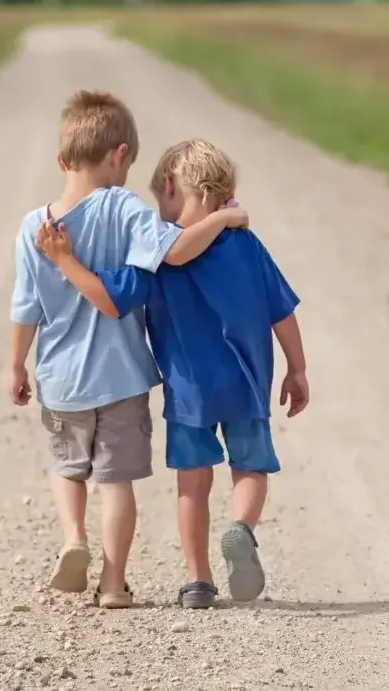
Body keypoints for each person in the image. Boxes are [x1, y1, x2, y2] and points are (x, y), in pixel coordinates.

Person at [34, 138, 308, 610]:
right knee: (251, 469)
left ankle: (198, 580)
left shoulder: (155, 256)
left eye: (161, 199)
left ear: (168, 186)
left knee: (192, 485)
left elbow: (108, 297)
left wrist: (65, 260)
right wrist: (297, 369)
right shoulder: (245, 244)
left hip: (189, 393)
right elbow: (281, 311)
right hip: (247, 383)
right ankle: (241, 528)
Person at [9, 93, 248, 609]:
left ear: (61, 161)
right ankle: (114, 583)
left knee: (68, 467)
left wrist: (15, 366)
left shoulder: (34, 227)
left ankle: (74, 537)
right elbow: (178, 249)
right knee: (116, 483)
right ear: (119, 156)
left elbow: (26, 308)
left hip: (61, 377)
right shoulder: (123, 207)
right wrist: (225, 220)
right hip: (121, 377)